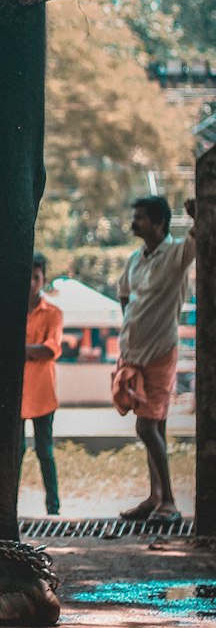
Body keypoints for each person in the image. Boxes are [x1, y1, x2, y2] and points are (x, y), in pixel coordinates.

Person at [113, 195, 196, 523]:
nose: (134, 223)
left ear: (159, 223)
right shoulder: (136, 258)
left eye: (141, 218)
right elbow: (124, 292)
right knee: (154, 425)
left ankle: (170, 502)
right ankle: (156, 498)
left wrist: (197, 214)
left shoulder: (176, 254)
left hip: (160, 352)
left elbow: (198, 238)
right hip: (133, 353)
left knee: (146, 427)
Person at [19, 254, 63, 516]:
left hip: (43, 394)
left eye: (36, 278)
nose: (32, 283)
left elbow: (50, 349)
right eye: (29, 277)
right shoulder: (12, 310)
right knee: (16, 453)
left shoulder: (53, 314)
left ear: (43, 280)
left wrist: (19, 351)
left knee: (44, 452)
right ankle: (7, 505)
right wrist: (29, 351)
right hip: (17, 395)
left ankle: (53, 507)